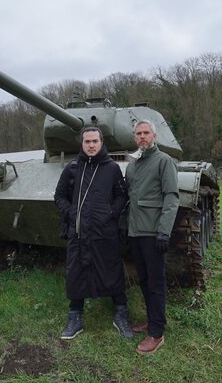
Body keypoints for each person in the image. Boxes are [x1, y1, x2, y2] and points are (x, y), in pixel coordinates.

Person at [54, 126, 132, 340]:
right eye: (87, 141)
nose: (91, 145)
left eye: (94, 141)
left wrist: (110, 213)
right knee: (76, 271)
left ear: (101, 143)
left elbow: (121, 196)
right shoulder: (72, 168)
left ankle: (121, 313)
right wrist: (72, 213)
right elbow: (59, 196)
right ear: (82, 144)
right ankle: (75, 316)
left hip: (104, 231)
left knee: (111, 268)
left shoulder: (112, 168)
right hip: (79, 231)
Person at [125, 119, 179, 355]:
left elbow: (171, 197)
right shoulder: (133, 165)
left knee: (156, 283)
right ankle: (151, 319)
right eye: (139, 134)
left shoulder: (163, 161)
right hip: (136, 232)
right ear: (135, 137)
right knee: (144, 280)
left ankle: (157, 333)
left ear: (154, 136)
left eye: (147, 133)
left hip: (154, 233)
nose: (143, 137)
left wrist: (163, 232)